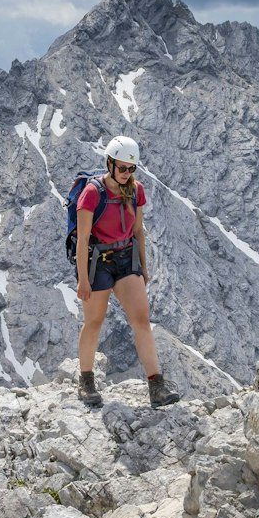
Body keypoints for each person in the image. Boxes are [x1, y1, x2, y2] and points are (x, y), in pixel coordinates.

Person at [75, 136, 179, 408]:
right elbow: (83, 239)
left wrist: (143, 267)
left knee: (141, 320)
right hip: (98, 262)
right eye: (122, 168)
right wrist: (83, 279)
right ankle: (86, 382)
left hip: (125, 258)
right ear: (109, 164)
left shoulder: (136, 191)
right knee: (94, 322)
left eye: (131, 169)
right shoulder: (92, 193)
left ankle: (156, 386)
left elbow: (137, 232)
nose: (126, 174)